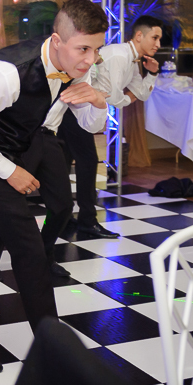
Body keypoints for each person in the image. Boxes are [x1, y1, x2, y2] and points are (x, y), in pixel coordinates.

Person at [0, 0, 110, 379]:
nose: (91, 59)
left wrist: (98, 101)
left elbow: (89, 124)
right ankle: (55, 355)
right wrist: (10, 171)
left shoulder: (77, 65)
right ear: (57, 41)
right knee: (30, 253)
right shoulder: (8, 75)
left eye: (97, 50)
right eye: (84, 49)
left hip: (15, 150)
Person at [60, 15, 162, 239]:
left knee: (70, 163)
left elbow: (141, 94)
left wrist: (152, 73)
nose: (158, 44)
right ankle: (85, 221)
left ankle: (66, 218)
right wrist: (126, 99)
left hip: (81, 109)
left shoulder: (133, 60)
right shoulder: (118, 55)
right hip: (73, 110)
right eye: (155, 38)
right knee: (86, 163)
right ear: (139, 36)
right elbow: (116, 99)